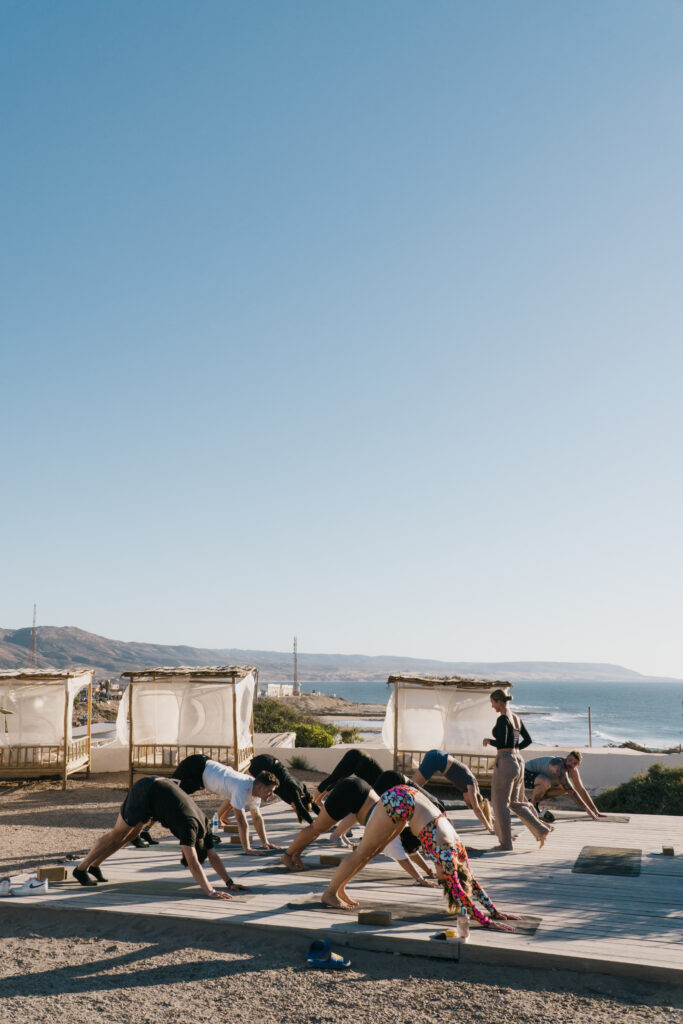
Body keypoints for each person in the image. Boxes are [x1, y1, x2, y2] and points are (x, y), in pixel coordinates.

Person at [320, 784, 519, 930]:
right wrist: (487, 921)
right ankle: (330, 893)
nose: (437, 876)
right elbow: (460, 892)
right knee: (364, 851)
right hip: (399, 801)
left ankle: (339, 888)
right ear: (448, 872)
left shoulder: (459, 854)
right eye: (442, 879)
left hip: (408, 797)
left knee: (373, 850)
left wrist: (495, 911)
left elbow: (472, 883)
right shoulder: (446, 855)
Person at [72, 776, 247, 899]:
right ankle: (81, 869)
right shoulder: (190, 829)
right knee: (118, 834)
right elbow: (193, 864)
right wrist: (211, 891)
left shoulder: (205, 827)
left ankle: (95, 866)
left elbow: (213, 855)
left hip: (158, 790)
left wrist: (229, 882)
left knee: (131, 836)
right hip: (146, 790)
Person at [483, 689, 552, 852]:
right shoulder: (516, 718)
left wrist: (489, 741)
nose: (492, 706)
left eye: (492, 703)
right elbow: (527, 740)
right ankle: (542, 829)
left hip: (506, 761)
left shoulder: (503, 719)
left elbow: (501, 742)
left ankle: (506, 843)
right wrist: (514, 749)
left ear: (499, 702)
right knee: (516, 803)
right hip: (518, 761)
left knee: (500, 804)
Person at [172, 754, 279, 855]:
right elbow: (241, 821)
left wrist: (265, 842)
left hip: (203, 772)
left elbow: (257, 818)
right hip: (195, 765)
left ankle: (218, 818)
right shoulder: (241, 787)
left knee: (173, 797)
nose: (271, 794)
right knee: (170, 795)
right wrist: (247, 848)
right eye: (269, 791)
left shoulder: (255, 791)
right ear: (260, 787)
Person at [281, 776, 378, 872]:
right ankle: (287, 856)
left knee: (319, 828)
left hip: (358, 788)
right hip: (352, 790)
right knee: (317, 828)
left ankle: (295, 855)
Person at [411, 749, 495, 833]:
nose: (464, 800)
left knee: (414, 787)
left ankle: (410, 811)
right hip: (435, 758)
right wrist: (489, 828)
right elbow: (477, 810)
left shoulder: (475, 786)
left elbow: (481, 807)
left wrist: (491, 820)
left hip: (439, 755)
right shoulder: (471, 788)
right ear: (472, 798)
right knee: (411, 787)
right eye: (467, 802)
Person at [524, 752, 602, 820]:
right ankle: (532, 806)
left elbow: (581, 789)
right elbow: (571, 790)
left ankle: (532, 802)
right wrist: (587, 810)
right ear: (566, 757)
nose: (571, 764)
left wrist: (594, 809)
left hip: (539, 779)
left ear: (577, 765)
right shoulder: (558, 764)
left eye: (574, 763)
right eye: (570, 760)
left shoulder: (573, 771)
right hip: (524, 774)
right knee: (546, 782)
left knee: (563, 789)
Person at [247, 753, 319, 824]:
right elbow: (301, 808)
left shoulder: (303, 791)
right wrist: (313, 824)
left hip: (270, 760)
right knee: (251, 785)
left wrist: (323, 819)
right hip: (264, 764)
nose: (292, 808)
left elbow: (313, 804)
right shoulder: (294, 791)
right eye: (295, 809)